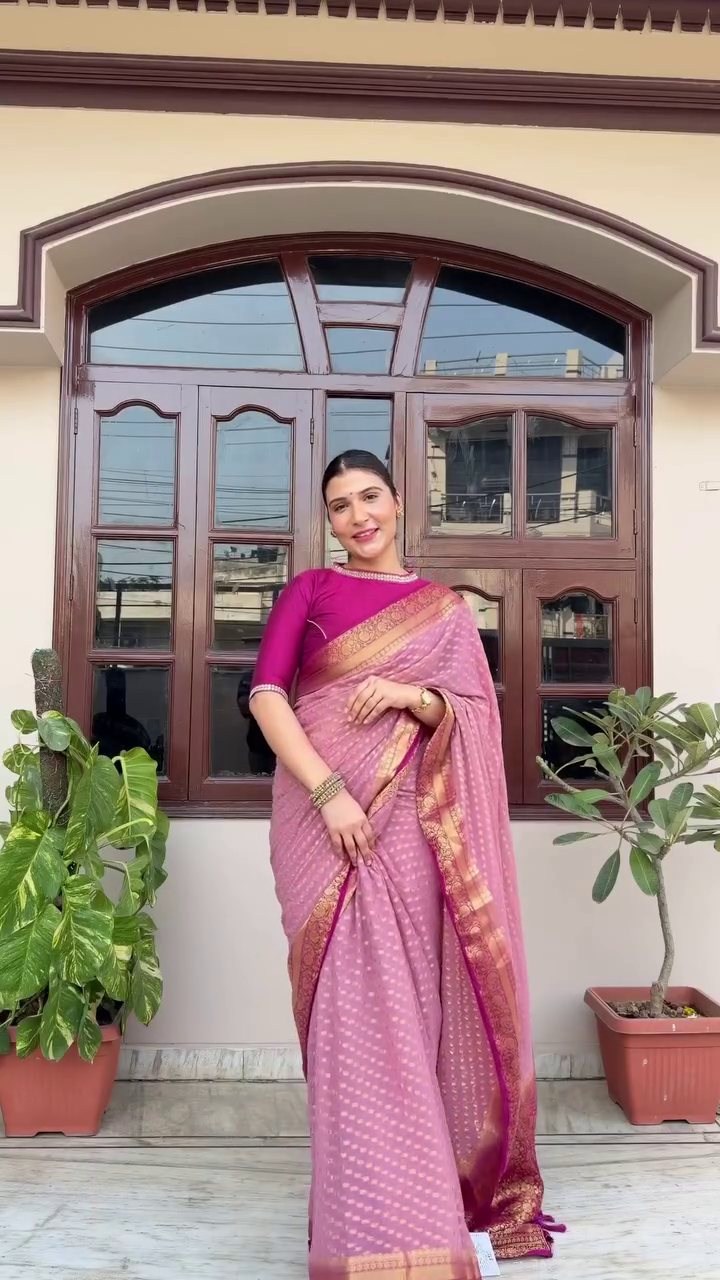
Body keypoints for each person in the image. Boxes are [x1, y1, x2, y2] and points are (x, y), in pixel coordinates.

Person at [250, 451, 558, 1280]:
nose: (358, 516)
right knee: (353, 1018)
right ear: (330, 521)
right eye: (341, 505)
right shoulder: (310, 589)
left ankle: (418, 1218)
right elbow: (267, 696)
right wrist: (328, 794)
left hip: (414, 834)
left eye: (370, 497)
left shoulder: (446, 612)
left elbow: (472, 717)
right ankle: (362, 1226)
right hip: (327, 827)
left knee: (409, 1014)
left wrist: (409, 697)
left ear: (398, 501)